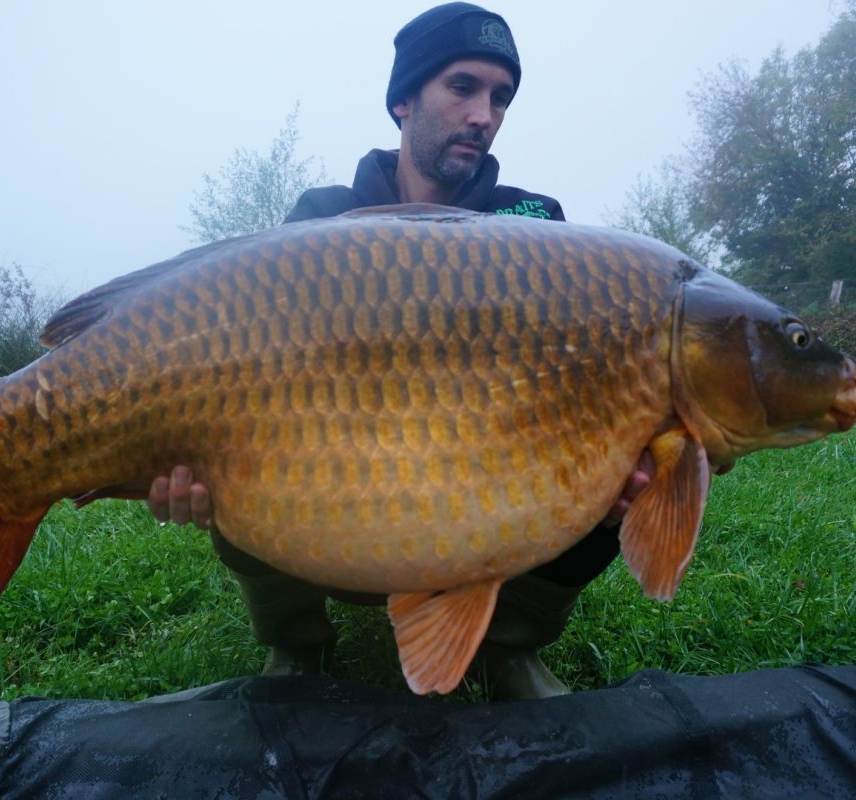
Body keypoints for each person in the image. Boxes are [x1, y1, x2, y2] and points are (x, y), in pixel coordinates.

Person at [149, 2, 654, 700]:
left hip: (493, 498)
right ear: (402, 101)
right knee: (236, 456)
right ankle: (296, 645)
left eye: (501, 97)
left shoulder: (540, 229)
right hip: (339, 510)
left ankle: (507, 648)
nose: (484, 114)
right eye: (462, 87)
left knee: (625, 471)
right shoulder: (320, 220)